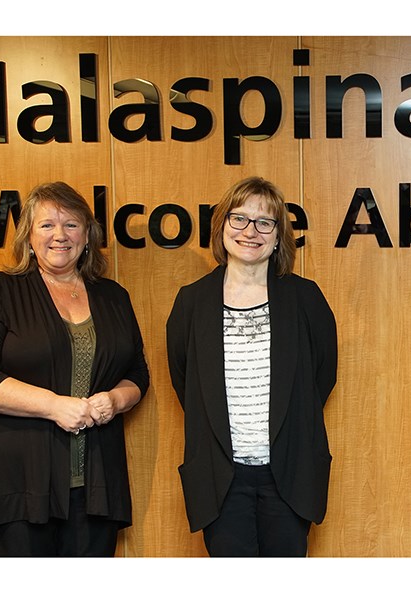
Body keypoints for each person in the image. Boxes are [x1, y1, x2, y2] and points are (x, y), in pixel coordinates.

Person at [0, 181, 149, 556]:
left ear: (87, 235)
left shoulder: (113, 297)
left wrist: (115, 399)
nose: (60, 235)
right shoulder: (0, 290)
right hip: (17, 483)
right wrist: (53, 406)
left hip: (94, 488)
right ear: (28, 236)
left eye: (71, 224)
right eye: (47, 225)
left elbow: (137, 373)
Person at [166, 176, 337, 557]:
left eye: (265, 222)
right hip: (220, 480)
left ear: (279, 236)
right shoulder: (191, 303)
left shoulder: (305, 299)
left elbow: (321, 377)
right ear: (222, 227)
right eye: (239, 219)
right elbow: (188, 384)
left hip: (289, 475)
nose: (250, 231)